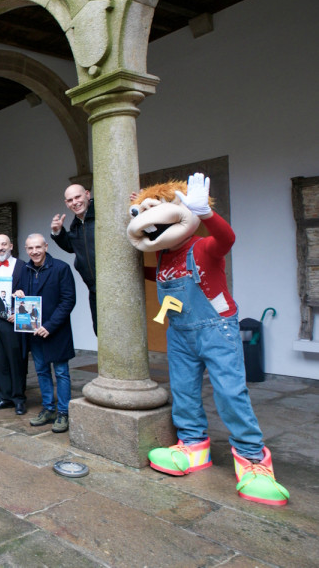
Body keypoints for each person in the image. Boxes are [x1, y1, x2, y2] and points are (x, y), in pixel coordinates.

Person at [127, 173, 288, 505]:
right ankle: (193, 446)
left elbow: (227, 240)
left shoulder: (202, 246)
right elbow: (156, 275)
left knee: (230, 392)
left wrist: (206, 215)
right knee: (184, 391)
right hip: (180, 333)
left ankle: (253, 460)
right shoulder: (162, 257)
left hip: (217, 328)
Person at [15, 234, 76, 433]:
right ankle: (49, 409)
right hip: (34, 332)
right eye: (30, 248)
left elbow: (68, 301)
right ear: (26, 249)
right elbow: (19, 292)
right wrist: (18, 293)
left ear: (46, 246)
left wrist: (49, 325)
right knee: (41, 371)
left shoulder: (61, 268)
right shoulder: (25, 270)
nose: (35, 251)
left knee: (61, 373)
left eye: (38, 247)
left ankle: (63, 413)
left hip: (56, 331)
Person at [0, 234, 28, 416]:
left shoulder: (22, 266)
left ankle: (19, 399)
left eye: (4, 244)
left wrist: (19, 311)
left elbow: (29, 293)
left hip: (11, 321)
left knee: (15, 360)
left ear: (11, 246)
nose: (0, 247)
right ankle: (4, 397)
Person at [51, 183, 96, 333]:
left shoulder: (102, 213)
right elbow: (72, 247)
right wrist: (58, 232)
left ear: (87, 194)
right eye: (70, 200)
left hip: (113, 286)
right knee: (100, 330)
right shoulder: (76, 224)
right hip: (93, 289)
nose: (75, 202)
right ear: (66, 203)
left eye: (78, 197)